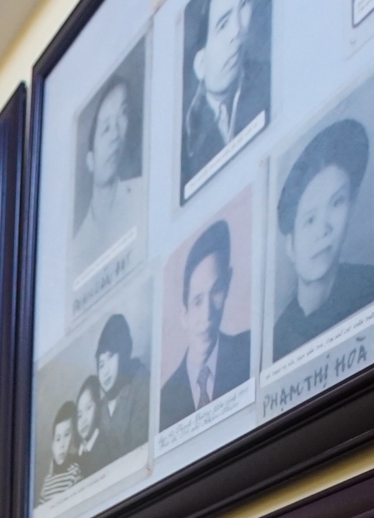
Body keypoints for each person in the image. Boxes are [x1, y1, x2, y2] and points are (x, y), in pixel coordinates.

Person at [273, 119, 374, 358]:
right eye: (310, 220)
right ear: (290, 245)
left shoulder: (373, 286)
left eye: (337, 202)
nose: (323, 230)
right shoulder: (277, 341)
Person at [160, 220, 253, 428]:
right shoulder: (165, 399)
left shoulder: (249, 350)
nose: (208, 313)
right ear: (184, 314)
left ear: (228, 284)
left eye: (216, 291)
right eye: (197, 301)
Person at [181, 0, 269, 186]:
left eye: (245, 2)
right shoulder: (187, 140)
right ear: (200, 63)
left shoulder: (267, 82)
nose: (237, 30)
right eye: (222, 24)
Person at [70, 70, 146, 279]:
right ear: (90, 160)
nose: (115, 135)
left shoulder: (143, 194)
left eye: (122, 115)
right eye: (105, 128)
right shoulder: (77, 249)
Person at [91, 314, 148, 460]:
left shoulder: (141, 381)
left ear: (122, 354)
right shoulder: (101, 407)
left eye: (110, 356)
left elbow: (140, 446)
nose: (105, 371)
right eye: (101, 364)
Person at [37, 401, 84, 504]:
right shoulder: (47, 482)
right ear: (52, 446)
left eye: (66, 435)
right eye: (58, 439)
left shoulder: (75, 471)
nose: (62, 444)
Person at [73, 376, 107, 471]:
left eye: (88, 408)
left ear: (98, 407)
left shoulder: (105, 446)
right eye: (79, 415)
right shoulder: (77, 456)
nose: (83, 420)